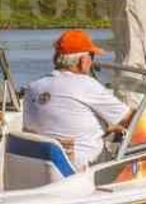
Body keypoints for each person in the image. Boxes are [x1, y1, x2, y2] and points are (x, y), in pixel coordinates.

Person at [23, 30, 133, 169]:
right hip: (83, 171)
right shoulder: (87, 85)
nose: (93, 61)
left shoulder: (33, 88)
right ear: (83, 61)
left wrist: (107, 127)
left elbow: (63, 123)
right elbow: (129, 119)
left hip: (41, 166)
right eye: (92, 56)